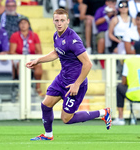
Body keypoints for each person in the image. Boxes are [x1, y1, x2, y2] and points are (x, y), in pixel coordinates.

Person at [26, 8, 112, 141]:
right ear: (53, 21)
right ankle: (48, 135)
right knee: (45, 105)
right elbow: (56, 52)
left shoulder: (73, 40)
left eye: (62, 20)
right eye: (57, 20)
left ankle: (103, 113)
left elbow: (88, 64)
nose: (59, 23)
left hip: (75, 84)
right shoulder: (56, 35)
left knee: (66, 119)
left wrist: (77, 84)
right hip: (62, 79)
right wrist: (38, 60)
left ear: (68, 21)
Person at [112, 40, 140, 125]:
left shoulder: (129, 61)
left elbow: (124, 81)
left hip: (134, 95)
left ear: (134, 49)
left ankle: (121, 118)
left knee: (119, 86)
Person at [9, 16, 43, 96]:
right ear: (18, 25)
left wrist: (35, 59)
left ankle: (38, 88)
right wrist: (23, 58)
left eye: (25, 23)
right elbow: (12, 52)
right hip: (19, 57)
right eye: (21, 23)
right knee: (20, 64)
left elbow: (39, 51)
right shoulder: (15, 35)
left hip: (31, 57)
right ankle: (21, 89)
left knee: (39, 65)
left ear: (29, 25)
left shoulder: (34, 35)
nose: (23, 25)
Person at [95, 0, 117, 68]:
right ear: (106, 2)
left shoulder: (118, 10)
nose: (112, 3)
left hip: (115, 32)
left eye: (114, 2)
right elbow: (97, 22)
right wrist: (107, 16)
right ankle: (102, 62)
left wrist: (115, 14)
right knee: (102, 38)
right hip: (103, 31)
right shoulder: (101, 10)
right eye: (110, 2)